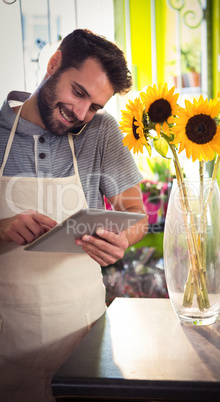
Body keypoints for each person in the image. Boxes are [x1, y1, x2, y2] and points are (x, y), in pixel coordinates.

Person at [0, 29, 148, 402]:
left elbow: (137, 216)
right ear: (54, 65)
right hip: (6, 342)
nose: (80, 114)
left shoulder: (100, 133)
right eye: (78, 92)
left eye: (95, 105)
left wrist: (121, 240)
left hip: (83, 338)